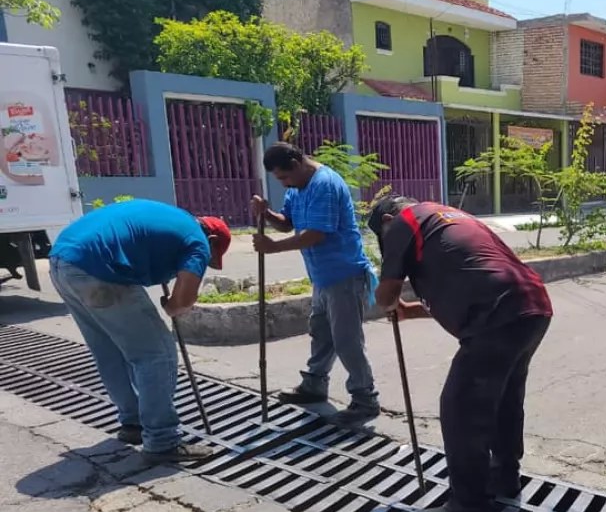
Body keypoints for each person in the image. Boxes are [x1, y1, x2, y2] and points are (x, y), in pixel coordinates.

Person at [369, 195, 553, 512]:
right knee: (503, 400)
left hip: (498, 315)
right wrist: (411, 310)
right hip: (531, 306)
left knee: (461, 408)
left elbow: (385, 293)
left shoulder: (402, 223)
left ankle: (468, 507)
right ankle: (504, 478)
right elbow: (468, 276)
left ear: (385, 222)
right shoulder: (449, 217)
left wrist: (391, 301)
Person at [48, 199, 231, 462]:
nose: (207, 261)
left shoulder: (173, 219)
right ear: (212, 239)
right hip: (99, 269)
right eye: (212, 259)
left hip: (63, 261)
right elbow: (184, 301)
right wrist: (171, 307)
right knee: (157, 354)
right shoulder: (198, 241)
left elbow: (139, 244)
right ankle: (162, 441)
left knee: (110, 350)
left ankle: (133, 424)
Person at [251, 143, 380, 426]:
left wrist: (274, 248)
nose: (284, 183)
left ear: (297, 163)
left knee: (347, 340)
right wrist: (267, 214)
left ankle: (365, 398)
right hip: (321, 276)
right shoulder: (297, 188)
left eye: (285, 177)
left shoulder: (325, 184)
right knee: (321, 332)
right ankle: (314, 384)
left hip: (344, 275)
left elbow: (316, 235)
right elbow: (288, 223)